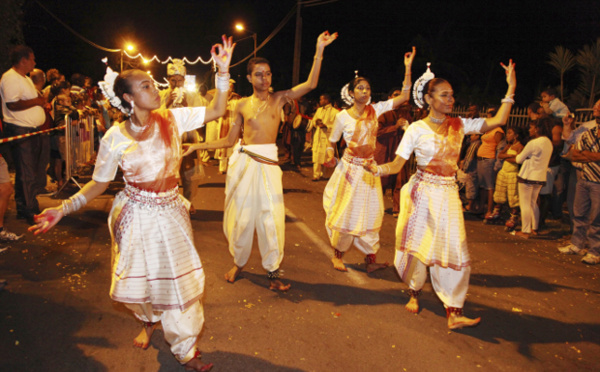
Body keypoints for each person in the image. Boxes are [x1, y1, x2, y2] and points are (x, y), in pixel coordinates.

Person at [29, 36, 235, 371]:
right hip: (134, 215)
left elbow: (217, 109)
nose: (154, 89)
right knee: (141, 279)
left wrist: (223, 72)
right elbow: (97, 184)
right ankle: (148, 320)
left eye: (152, 83)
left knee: (179, 280)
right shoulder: (114, 138)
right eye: (144, 86)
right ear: (128, 97)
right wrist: (62, 209)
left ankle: (185, 349)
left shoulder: (172, 118)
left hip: (171, 212)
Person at [366, 59, 516, 329]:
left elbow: (500, 120)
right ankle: (414, 291)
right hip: (422, 194)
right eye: (444, 95)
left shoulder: (460, 125)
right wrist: (376, 169)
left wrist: (510, 89)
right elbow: (398, 165)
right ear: (429, 99)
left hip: (448, 195)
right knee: (419, 247)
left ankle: (454, 310)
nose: (451, 99)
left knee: (454, 248)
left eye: (452, 95)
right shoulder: (416, 129)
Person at [183, 31, 337, 291]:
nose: (264, 78)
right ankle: (239, 262)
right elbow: (229, 140)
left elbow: (310, 84)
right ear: (248, 78)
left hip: (269, 166)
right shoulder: (241, 105)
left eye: (268, 73)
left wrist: (319, 50)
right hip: (245, 165)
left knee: (271, 218)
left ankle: (273, 271)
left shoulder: (280, 98)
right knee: (242, 218)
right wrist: (198, 144)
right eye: (258, 74)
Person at [323, 47, 416, 273]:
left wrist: (407, 68)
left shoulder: (376, 110)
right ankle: (338, 255)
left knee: (372, 213)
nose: (364, 91)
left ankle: (370, 261)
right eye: (360, 88)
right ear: (352, 92)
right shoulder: (342, 116)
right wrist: (328, 155)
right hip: (349, 171)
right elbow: (331, 141)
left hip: (369, 170)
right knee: (347, 211)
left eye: (367, 88)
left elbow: (404, 96)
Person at [0, 45, 47, 225]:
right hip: (20, 129)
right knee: (26, 171)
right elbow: (12, 104)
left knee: (29, 170)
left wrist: (39, 103)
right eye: (32, 59)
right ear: (23, 60)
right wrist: (36, 101)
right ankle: (29, 210)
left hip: (30, 129)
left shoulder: (25, 78)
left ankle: (26, 205)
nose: (34, 62)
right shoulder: (10, 78)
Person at [160, 59, 208, 214]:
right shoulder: (161, 95)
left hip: (187, 139)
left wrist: (186, 103)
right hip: (166, 139)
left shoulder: (193, 96)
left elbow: (200, 117)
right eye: (173, 80)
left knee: (188, 175)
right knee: (167, 174)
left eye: (179, 80)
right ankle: (169, 202)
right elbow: (152, 116)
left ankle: (188, 202)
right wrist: (167, 103)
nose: (176, 83)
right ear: (168, 80)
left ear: (184, 80)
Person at [558, 99, 600, 264]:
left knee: (596, 218)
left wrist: (586, 155)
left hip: (598, 182)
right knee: (579, 214)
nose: (595, 107)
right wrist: (594, 156)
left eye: (599, 105)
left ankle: (595, 251)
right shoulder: (590, 130)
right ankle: (577, 244)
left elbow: (582, 154)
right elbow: (574, 153)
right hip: (584, 177)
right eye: (596, 104)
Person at [513, 118, 553, 239]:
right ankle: (534, 228)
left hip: (528, 176)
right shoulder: (548, 142)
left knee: (525, 203)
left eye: (531, 127)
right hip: (540, 177)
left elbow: (519, 159)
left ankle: (525, 231)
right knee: (533, 203)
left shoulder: (533, 143)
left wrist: (517, 154)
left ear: (537, 128)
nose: (529, 130)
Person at [489, 127, 524, 229]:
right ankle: (497, 211)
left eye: (510, 133)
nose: (507, 135)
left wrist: (506, 157)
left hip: (512, 173)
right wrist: (508, 156)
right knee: (499, 193)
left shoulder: (520, 146)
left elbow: (517, 159)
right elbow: (500, 155)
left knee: (513, 196)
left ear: (516, 135)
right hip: (504, 172)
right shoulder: (509, 145)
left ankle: (514, 217)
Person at [307, 93, 338, 181]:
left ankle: (325, 174)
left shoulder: (335, 112)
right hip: (318, 135)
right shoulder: (319, 110)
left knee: (326, 157)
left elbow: (337, 126)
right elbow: (313, 121)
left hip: (328, 137)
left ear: (326, 100)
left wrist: (326, 126)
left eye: (321, 99)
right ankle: (316, 175)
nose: (320, 101)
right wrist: (316, 122)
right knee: (316, 155)